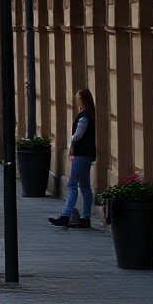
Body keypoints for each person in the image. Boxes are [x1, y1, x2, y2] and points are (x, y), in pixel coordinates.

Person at [53, 88, 96, 228]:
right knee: (85, 186)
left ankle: (66, 215)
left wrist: (70, 142)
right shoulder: (90, 114)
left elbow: (78, 135)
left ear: (81, 100)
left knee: (72, 184)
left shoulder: (84, 116)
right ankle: (85, 218)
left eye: (78, 98)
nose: (76, 101)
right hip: (87, 154)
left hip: (81, 153)